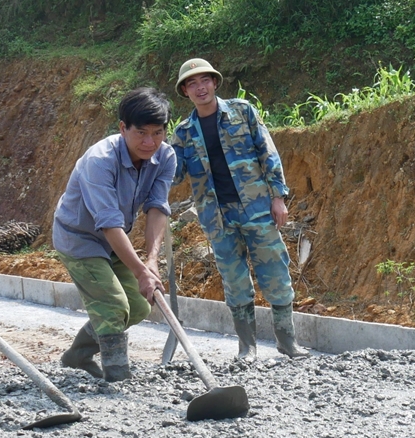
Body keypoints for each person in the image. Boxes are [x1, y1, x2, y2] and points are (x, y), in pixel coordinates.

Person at [170, 58, 308, 360]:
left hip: (256, 208)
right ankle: (247, 347)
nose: (200, 87)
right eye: (192, 83)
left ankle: (287, 342)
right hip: (217, 217)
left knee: (275, 272)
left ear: (215, 82)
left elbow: (267, 152)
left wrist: (278, 197)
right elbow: (175, 174)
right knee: (234, 281)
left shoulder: (242, 112)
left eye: (204, 80)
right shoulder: (183, 133)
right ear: (185, 91)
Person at [52, 88, 174, 382]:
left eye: (157, 133)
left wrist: (152, 262)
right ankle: (117, 375)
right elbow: (108, 222)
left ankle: (78, 355)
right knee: (113, 306)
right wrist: (140, 271)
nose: (150, 142)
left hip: (116, 241)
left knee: (138, 306)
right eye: (141, 133)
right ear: (123, 128)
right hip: (79, 239)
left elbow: (157, 209)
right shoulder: (100, 161)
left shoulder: (165, 156)